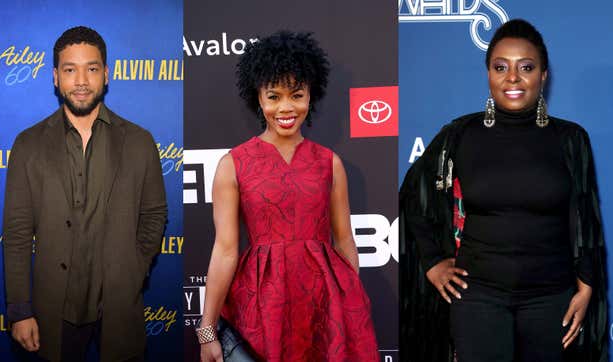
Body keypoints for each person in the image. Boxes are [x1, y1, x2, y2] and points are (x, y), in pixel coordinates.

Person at [399, 19, 607, 362]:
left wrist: (586, 288)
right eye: (501, 67)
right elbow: (413, 196)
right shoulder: (460, 135)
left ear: (543, 75)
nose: (512, 78)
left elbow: (586, 216)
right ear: (488, 74)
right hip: (479, 297)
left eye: (526, 67)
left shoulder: (571, 139)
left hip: (551, 298)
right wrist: (433, 261)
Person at [197, 31, 378, 361]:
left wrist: (351, 301)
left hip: (325, 303)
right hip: (264, 302)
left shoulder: (329, 163)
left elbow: (344, 240)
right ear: (258, 98)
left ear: (311, 96)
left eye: (296, 95)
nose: (285, 107)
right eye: (274, 96)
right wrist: (207, 329)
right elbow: (225, 249)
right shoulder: (233, 164)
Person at [3, 26, 167, 362]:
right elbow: (18, 233)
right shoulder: (28, 145)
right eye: (70, 70)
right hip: (53, 311)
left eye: (91, 69)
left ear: (106, 75)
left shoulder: (139, 141)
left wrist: (134, 270)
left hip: (119, 307)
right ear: (55, 77)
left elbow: (154, 215)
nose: (81, 80)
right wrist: (20, 310)